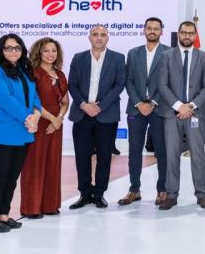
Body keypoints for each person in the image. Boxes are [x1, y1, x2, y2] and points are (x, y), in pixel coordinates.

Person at [0, 34, 41, 233]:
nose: (13, 51)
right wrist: (28, 118)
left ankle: (3, 215)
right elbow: (4, 99)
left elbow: (34, 96)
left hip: (21, 132)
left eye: (17, 48)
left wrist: (37, 114)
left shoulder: (23, 70)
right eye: (8, 48)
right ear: (1, 50)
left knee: (11, 176)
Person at [68, 25, 126, 210]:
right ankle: (85, 194)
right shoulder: (79, 58)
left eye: (103, 34)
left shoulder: (118, 58)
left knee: (104, 156)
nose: (99, 38)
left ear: (108, 37)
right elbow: (72, 85)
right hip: (82, 114)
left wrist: (100, 106)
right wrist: (83, 105)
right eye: (95, 34)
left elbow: (119, 85)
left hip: (106, 114)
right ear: (89, 37)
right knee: (82, 156)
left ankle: (99, 194)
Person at [157, 21, 205, 210]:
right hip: (171, 113)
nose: (187, 36)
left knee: (198, 155)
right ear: (179, 34)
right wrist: (179, 106)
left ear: (195, 35)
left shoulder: (204, 57)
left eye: (190, 33)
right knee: (171, 155)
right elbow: (162, 85)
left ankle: (202, 194)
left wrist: (190, 106)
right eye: (183, 32)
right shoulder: (166, 56)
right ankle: (171, 195)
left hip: (195, 113)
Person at [118, 17, 170, 207]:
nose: (152, 31)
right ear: (144, 30)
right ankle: (134, 189)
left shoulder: (168, 53)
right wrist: (139, 103)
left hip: (160, 108)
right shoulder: (133, 53)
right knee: (134, 150)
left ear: (161, 31)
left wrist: (153, 102)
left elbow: (168, 81)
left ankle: (162, 189)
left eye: (156, 28)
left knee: (161, 150)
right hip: (136, 108)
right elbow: (129, 80)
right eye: (149, 28)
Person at [20, 37, 69, 218]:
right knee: (35, 164)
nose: (50, 54)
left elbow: (65, 102)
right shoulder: (32, 73)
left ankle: (50, 205)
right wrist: (53, 119)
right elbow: (34, 102)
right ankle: (31, 208)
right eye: (46, 51)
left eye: (54, 51)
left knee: (53, 163)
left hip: (56, 125)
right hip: (38, 122)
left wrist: (59, 119)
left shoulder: (60, 74)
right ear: (39, 53)